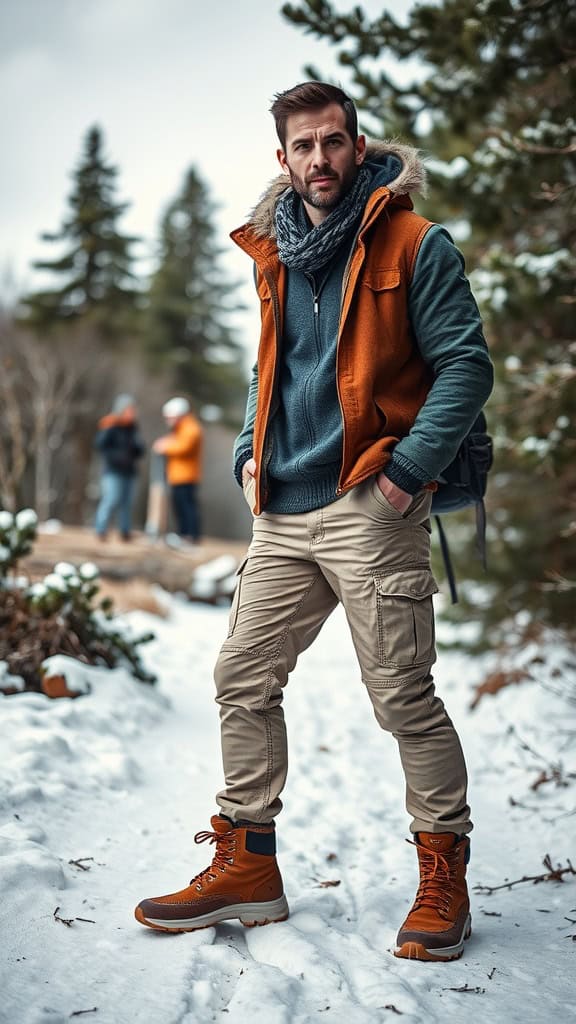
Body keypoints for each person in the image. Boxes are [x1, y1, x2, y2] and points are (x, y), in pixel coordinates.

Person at [135, 82, 494, 962]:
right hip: (284, 512)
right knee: (240, 679)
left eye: (334, 141)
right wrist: (249, 452)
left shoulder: (416, 243)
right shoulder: (276, 251)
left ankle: (444, 874)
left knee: (403, 697)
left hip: (373, 503)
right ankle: (249, 866)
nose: (321, 159)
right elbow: (272, 368)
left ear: (357, 143)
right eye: (304, 146)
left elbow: (467, 368)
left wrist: (409, 475)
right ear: (283, 158)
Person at [94, 394, 144, 541]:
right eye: (130, 410)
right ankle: (101, 529)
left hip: (129, 470)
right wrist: (116, 457)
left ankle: (125, 531)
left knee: (127, 502)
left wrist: (137, 447)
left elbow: (139, 449)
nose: (133, 413)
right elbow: (100, 445)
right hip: (113, 470)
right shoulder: (110, 425)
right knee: (111, 499)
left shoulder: (133, 428)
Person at [152, 397, 203, 544]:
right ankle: (184, 534)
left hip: (186, 476)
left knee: (186, 507)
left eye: (170, 418)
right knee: (180, 507)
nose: (168, 421)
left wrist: (165, 447)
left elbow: (184, 447)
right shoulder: (181, 429)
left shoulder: (191, 428)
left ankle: (190, 536)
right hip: (177, 475)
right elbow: (175, 441)